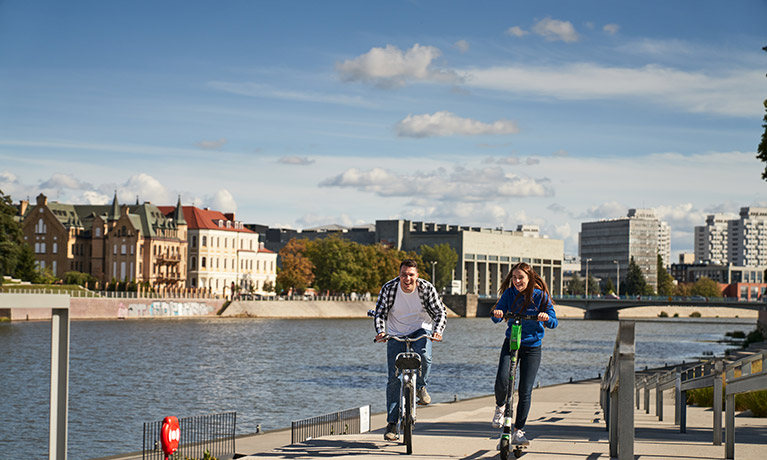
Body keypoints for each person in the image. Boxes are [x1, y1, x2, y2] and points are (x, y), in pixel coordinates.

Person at [374, 258, 447, 441]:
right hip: (396, 332)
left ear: (417, 276)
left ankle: (421, 386)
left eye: (411, 275)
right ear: (399, 275)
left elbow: (440, 312)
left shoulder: (426, 288)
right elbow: (380, 312)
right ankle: (392, 423)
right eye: (404, 275)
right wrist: (381, 332)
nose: (407, 279)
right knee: (394, 378)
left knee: (424, 356)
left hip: (421, 328)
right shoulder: (389, 288)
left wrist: (437, 332)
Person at [491, 262, 557, 446]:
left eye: (520, 278)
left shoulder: (540, 297)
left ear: (529, 279)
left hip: (532, 346)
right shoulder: (509, 294)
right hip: (511, 342)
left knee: (525, 390)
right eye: (514, 277)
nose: (517, 281)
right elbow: (496, 316)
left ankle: (519, 430)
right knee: (503, 379)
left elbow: (554, 322)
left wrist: (546, 318)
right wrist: (497, 313)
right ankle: (500, 407)